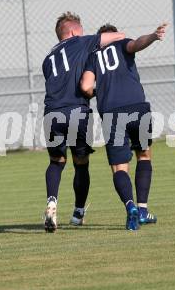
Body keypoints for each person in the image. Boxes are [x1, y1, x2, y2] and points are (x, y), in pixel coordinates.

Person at [42, 12, 125, 232]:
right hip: (77, 111)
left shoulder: (47, 59)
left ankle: (52, 202)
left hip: (51, 113)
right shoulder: (81, 42)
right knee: (81, 163)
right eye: (81, 29)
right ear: (72, 32)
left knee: (56, 162)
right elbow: (116, 37)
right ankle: (78, 213)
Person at [81, 22, 167, 230]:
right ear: (115, 36)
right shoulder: (122, 44)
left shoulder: (92, 57)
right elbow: (137, 44)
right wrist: (154, 36)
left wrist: (98, 92)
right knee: (144, 155)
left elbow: (85, 86)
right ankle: (143, 209)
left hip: (112, 113)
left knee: (119, 167)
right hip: (138, 107)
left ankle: (131, 208)